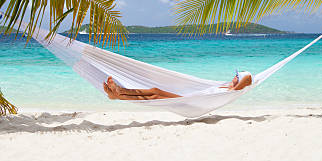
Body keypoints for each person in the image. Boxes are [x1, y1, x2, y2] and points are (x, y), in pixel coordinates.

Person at [103, 71, 253, 100]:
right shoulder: (226, 86)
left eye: (236, 75)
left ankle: (120, 93)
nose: (234, 76)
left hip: (192, 102)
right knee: (155, 94)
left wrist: (239, 83)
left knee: (155, 92)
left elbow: (249, 78)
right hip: (190, 98)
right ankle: (118, 95)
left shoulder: (232, 90)